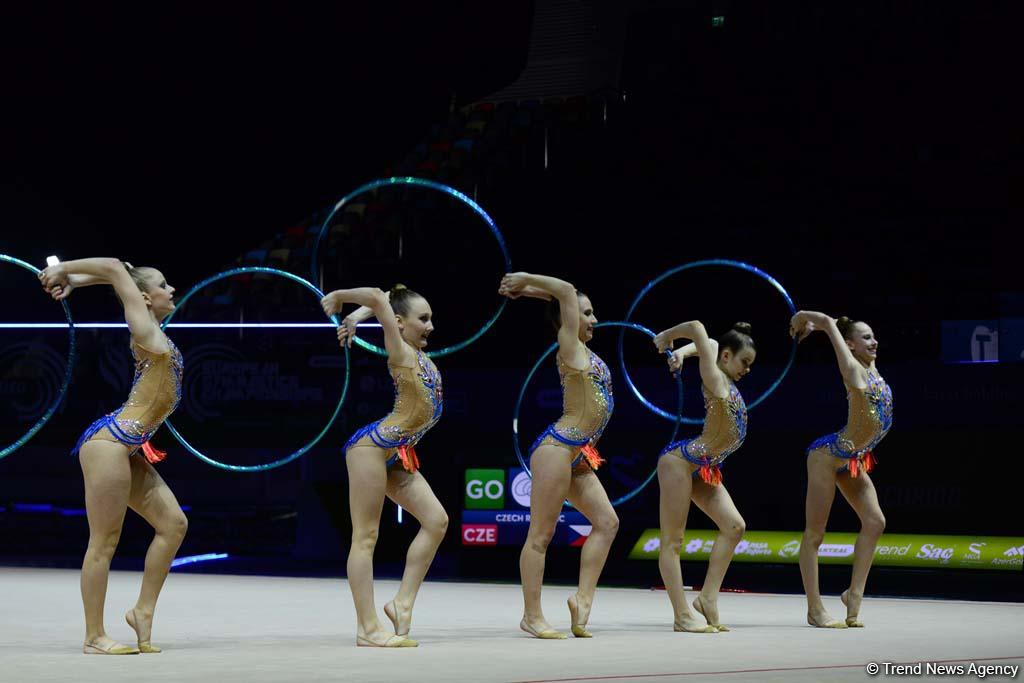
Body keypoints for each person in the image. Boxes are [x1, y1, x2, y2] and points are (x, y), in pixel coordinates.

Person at [39, 258, 186, 655]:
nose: (171, 290)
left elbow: (118, 269)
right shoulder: (144, 328)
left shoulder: (154, 330)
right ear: (144, 298)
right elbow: (115, 267)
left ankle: (142, 612)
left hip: (127, 446)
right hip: (110, 444)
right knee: (104, 542)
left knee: (173, 525)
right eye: (163, 284)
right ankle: (94, 635)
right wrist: (63, 271)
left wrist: (74, 280)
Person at [321, 284, 445, 647]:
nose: (431, 326)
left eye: (431, 318)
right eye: (423, 319)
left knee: (436, 521)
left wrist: (356, 317)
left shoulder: (420, 356)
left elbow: (390, 293)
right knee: (366, 537)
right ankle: (368, 628)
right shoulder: (401, 351)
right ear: (399, 323)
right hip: (371, 450)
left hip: (397, 454)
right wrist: (340, 297)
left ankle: (401, 604)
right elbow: (379, 295)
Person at [499, 272, 619, 639]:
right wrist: (525, 279)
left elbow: (560, 296)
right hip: (556, 448)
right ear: (569, 318)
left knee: (607, 523)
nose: (595, 319)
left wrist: (529, 291)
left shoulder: (587, 352)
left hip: (578, 453)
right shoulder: (569, 345)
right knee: (541, 535)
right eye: (587, 313)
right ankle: (531, 616)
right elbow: (565, 290)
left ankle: (582, 602)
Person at [789, 312, 892, 628]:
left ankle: (854, 594)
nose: (874, 341)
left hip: (852, 458)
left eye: (873, 336)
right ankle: (814, 609)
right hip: (827, 457)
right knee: (815, 534)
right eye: (866, 337)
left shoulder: (873, 369)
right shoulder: (851, 369)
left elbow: (832, 323)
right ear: (850, 345)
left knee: (875, 521)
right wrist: (804, 320)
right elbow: (827, 321)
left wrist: (818, 325)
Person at [652, 321, 755, 633]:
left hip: (704, 467)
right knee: (673, 541)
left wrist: (681, 354)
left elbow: (707, 343)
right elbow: (699, 329)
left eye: (750, 364)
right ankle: (681, 615)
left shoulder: (725, 378)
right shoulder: (715, 379)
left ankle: (707, 598)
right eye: (744, 362)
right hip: (680, 463)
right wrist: (666, 337)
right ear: (726, 356)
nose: (747, 369)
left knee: (735, 527)